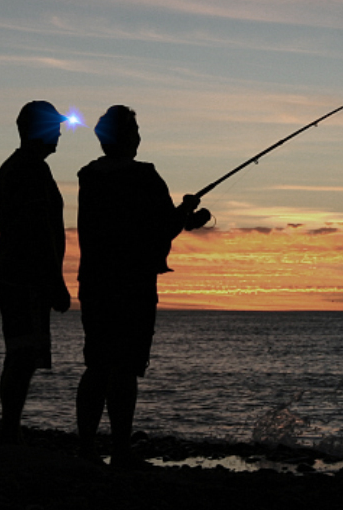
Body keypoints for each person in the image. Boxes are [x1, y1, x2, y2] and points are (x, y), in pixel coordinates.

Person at [75, 105, 210, 466]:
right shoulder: (146, 177)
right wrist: (187, 212)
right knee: (125, 367)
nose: (138, 136)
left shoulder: (88, 177)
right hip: (133, 285)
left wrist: (181, 216)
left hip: (95, 282)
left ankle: (85, 447)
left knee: (98, 364)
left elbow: (135, 225)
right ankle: (120, 450)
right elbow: (162, 226)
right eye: (134, 129)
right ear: (128, 137)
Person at [0, 100, 73, 444]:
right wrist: (56, 282)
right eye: (54, 127)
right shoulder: (29, 169)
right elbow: (38, 232)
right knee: (22, 354)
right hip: (24, 278)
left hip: (19, 275)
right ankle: (10, 430)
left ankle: (11, 427)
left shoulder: (22, 167)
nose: (58, 134)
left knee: (21, 354)